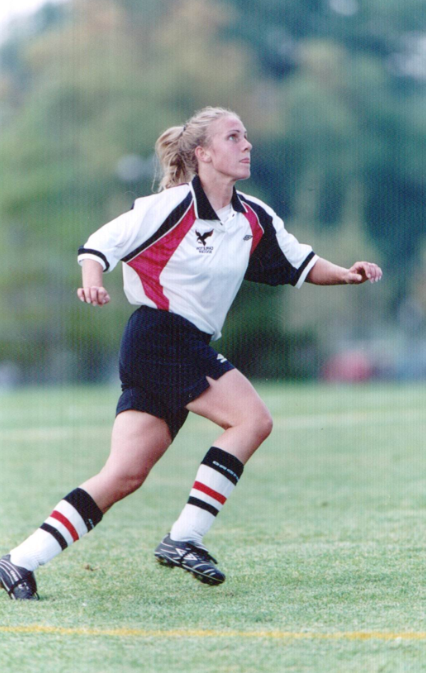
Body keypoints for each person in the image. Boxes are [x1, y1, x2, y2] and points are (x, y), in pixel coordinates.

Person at [0, 106, 382, 600]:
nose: (246, 144)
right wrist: (92, 281)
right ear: (202, 153)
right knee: (252, 420)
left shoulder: (253, 217)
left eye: (246, 136)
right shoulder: (172, 206)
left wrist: (347, 274)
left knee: (124, 474)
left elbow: (301, 262)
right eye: (233, 137)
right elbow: (101, 244)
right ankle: (185, 537)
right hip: (160, 336)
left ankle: (19, 561)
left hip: (176, 345)